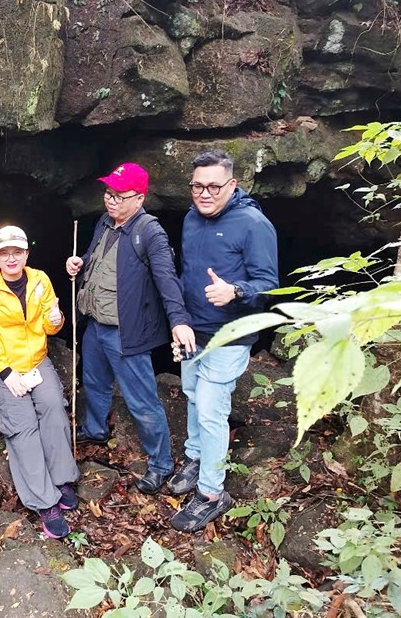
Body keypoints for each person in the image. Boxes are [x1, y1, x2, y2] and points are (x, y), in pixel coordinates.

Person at [65, 163, 196, 494]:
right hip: (96, 322)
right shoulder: (105, 222)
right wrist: (78, 262)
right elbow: (97, 259)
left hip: (126, 331)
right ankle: (96, 429)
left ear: (138, 198)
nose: (110, 201)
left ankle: (162, 463)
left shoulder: (150, 232)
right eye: (108, 193)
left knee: (141, 399)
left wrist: (179, 321)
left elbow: (168, 279)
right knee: (94, 381)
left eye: (118, 196)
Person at [169, 149, 279, 533]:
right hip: (192, 332)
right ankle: (196, 457)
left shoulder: (252, 224)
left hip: (230, 335)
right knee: (193, 396)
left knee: (212, 411)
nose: (204, 193)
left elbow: (270, 285)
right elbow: (186, 275)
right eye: (197, 185)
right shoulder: (189, 219)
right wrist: (177, 321)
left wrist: (235, 290)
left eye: (214, 186)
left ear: (232, 185)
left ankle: (211, 494)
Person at [0, 225, 80, 539]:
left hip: (35, 361)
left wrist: (56, 320)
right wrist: (6, 373)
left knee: (54, 408)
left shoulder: (40, 279)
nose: (12, 257)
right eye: (5, 253)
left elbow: (49, 324)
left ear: (26, 254)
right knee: (23, 425)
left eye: (17, 251)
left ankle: (61, 478)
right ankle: (45, 502)